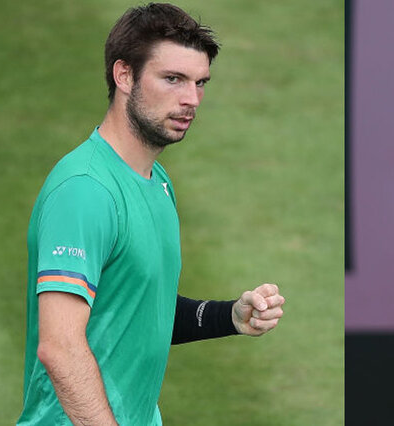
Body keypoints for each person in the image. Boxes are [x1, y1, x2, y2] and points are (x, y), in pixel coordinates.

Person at [17, 4, 285, 425]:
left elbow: (139, 308)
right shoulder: (85, 190)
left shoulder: (156, 180)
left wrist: (227, 316)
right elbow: (59, 346)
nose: (191, 99)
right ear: (124, 76)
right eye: (173, 79)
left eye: (200, 83)